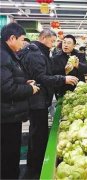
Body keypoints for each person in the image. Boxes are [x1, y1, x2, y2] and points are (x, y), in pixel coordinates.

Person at [19, 29, 78, 179]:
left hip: (38, 98)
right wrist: (63, 79)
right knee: (38, 134)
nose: (54, 45)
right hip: (36, 100)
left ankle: (35, 164)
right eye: (52, 41)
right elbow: (42, 77)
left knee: (38, 132)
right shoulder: (35, 54)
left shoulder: (39, 51)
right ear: (44, 38)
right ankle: (35, 168)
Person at [0, 22, 40, 179]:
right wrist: (30, 90)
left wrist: (24, 83)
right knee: (8, 154)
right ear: (12, 38)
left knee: (10, 152)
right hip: (6, 116)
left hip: (10, 114)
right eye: (22, 39)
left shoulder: (8, 54)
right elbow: (6, 89)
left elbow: (8, 81)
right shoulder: (3, 56)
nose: (23, 43)